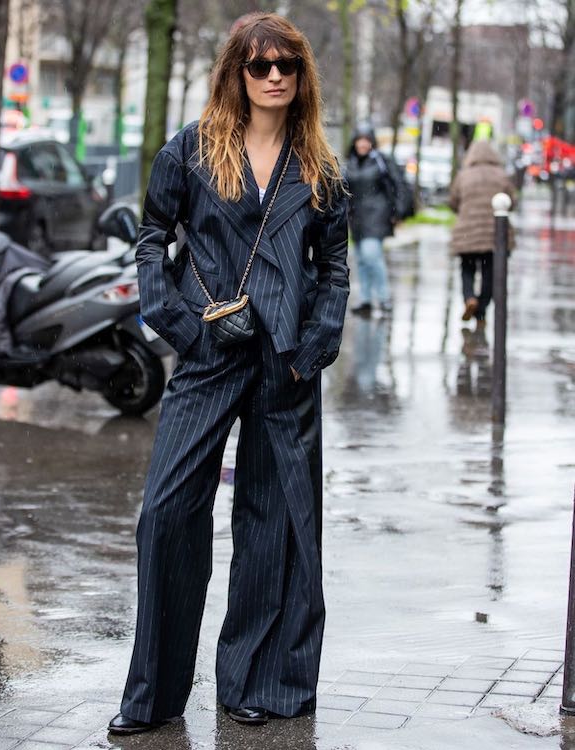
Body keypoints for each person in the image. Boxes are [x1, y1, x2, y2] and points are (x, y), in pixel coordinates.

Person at [108, 13, 349, 735]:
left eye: (287, 66)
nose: (274, 76)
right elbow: (153, 240)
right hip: (208, 353)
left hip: (286, 365)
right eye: (259, 64)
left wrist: (312, 350)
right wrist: (178, 323)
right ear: (235, 73)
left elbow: (333, 272)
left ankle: (257, 682)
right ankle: (152, 696)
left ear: (302, 77)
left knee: (274, 526)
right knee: (167, 514)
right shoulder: (189, 152)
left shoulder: (320, 170)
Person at [345, 123, 409, 317]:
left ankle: (384, 298)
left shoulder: (381, 161)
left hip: (377, 215)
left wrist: (399, 211)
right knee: (362, 259)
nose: (363, 144)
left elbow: (399, 184)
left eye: (366, 140)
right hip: (356, 218)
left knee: (372, 255)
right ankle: (365, 299)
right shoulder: (351, 163)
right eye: (359, 140)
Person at [449, 141, 515, 325]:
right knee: (490, 272)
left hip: (467, 233)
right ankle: (481, 309)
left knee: (467, 268)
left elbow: (453, 201)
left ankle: (469, 297)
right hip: (494, 233)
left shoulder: (464, 176)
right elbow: (512, 201)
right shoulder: (502, 176)